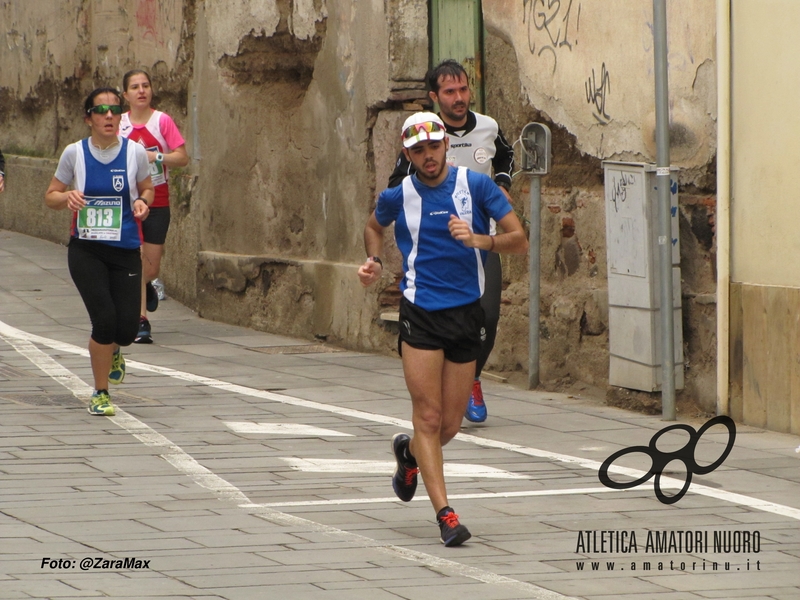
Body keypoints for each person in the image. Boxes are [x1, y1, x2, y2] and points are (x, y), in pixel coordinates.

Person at [359, 112, 528, 546]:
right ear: (407, 153)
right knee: (428, 416)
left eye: (434, 147)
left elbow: (520, 239)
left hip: (465, 314)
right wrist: (374, 263)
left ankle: (409, 453)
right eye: (418, 150)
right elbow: (374, 227)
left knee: (449, 425)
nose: (428, 156)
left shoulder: (477, 186)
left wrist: (480, 240)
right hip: (420, 313)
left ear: (445, 146)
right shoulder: (399, 195)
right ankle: (446, 516)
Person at [388, 59, 514, 423]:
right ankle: (441, 380)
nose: (459, 98)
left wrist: (501, 185)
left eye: (463, 90)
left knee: (487, 315)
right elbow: (396, 184)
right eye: (449, 92)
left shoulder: (488, 127)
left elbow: (505, 154)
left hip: (480, 239)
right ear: (434, 97)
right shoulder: (424, 136)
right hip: (433, 248)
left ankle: (471, 378)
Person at [45, 87, 153, 416]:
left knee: (127, 329)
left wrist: (142, 202)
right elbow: (51, 194)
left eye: (114, 110)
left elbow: (148, 187)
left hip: (125, 249)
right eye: (101, 110)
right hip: (87, 250)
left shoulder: (134, 153)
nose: (109, 115)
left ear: (120, 116)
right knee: (103, 320)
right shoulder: (74, 153)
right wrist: (67, 198)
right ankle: (100, 392)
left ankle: (115, 350)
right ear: (88, 118)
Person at [120, 69, 188, 343]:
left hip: (158, 200)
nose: (141, 91)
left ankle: (145, 285)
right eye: (135, 87)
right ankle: (141, 320)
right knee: (134, 261)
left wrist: (155, 156)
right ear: (125, 95)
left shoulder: (162, 121)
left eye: (145, 85)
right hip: (128, 201)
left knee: (151, 267)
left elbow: (182, 158)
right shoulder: (119, 123)